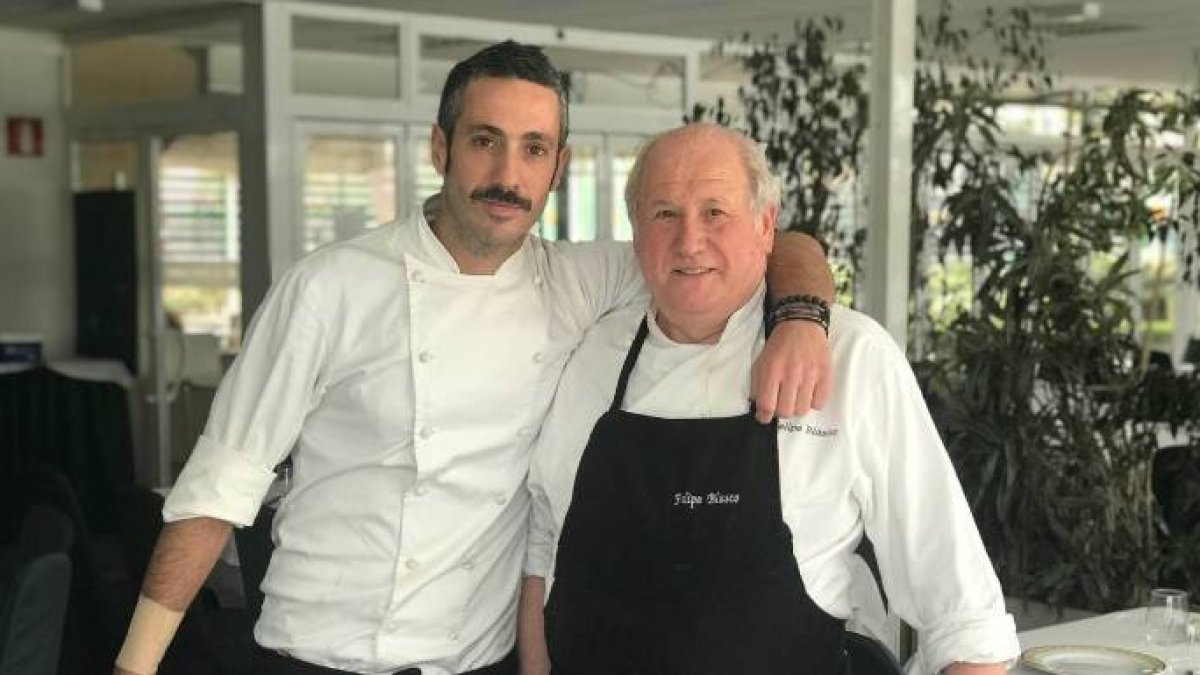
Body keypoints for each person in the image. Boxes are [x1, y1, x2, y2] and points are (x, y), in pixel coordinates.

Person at [114, 43, 836, 675]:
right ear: (440, 148)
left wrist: (801, 318)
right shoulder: (330, 286)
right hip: (315, 655)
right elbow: (219, 486)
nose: (507, 175)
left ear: (558, 166)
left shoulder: (576, 280)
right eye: (485, 141)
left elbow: (768, 244)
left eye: (533, 148)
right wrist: (135, 664)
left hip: (473, 660)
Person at [519, 122, 1021, 675]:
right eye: (664, 214)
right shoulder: (592, 355)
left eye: (715, 212)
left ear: (765, 227)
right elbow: (545, 540)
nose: (689, 240)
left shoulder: (852, 358)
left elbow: (965, 619)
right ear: (635, 234)